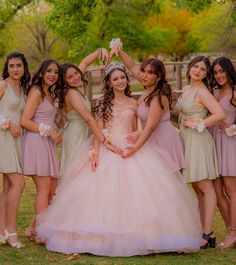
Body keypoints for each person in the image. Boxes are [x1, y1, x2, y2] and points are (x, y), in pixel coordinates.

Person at [36, 62, 202, 256]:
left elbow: (136, 128)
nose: (120, 81)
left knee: (141, 191)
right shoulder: (101, 103)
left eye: (122, 77)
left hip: (131, 148)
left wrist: (137, 139)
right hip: (108, 147)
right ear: (108, 82)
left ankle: (146, 234)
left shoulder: (135, 103)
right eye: (115, 79)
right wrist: (96, 151)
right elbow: (97, 130)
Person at [109, 41, 185, 171]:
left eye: (150, 72)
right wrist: (118, 50)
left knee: (166, 183)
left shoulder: (158, 96)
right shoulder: (148, 85)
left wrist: (134, 148)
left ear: (158, 77)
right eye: (143, 71)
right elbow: (132, 66)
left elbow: (150, 127)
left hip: (162, 140)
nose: (144, 75)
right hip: (148, 139)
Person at [175, 56, 225, 248]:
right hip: (187, 140)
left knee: (205, 187)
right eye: (196, 66)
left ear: (206, 74)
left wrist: (200, 123)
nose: (198, 71)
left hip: (198, 141)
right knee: (197, 188)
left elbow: (219, 114)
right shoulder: (188, 89)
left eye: (203, 69)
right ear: (189, 68)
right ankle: (203, 229)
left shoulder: (203, 92)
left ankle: (208, 234)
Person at [58, 48, 120, 177]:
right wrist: (104, 141)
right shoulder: (71, 93)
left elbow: (85, 63)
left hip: (84, 129)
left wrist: (100, 51)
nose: (76, 77)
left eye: (76, 73)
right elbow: (89, 119)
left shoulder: (75, 87)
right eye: (70, 77)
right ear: (64, 81)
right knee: (78, 171)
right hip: (77, 133)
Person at [20, 59, 62, 244]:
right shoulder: (36, 92)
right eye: (49, 71)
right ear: (42, 73)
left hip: (47, 144)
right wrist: (49, 132)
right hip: (36, 142)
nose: (52, 74)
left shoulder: (49, 94)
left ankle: (33, 227)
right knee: (44, 190)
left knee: (53, 190)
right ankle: (40, 234)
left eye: (56, 72)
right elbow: (25, 121)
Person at [0, 52, 30, 248]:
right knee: (19, 184)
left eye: (19, 65)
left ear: (24, 67)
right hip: (3, 138)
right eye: (12, 66)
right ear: (7, 68)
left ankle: (2, 231)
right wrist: (8, 124)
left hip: (17, 141)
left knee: (8, 188)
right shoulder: (3, 85)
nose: (15, 69)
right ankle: (11, 232)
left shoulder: (22, 88)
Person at [210, 57, 236, 249]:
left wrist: (232, 127)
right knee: (217, 192)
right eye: (216, 72)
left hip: (229, 143)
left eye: (222, 71)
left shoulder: (235, 92)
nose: (219, 75)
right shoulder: (213, 91)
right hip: (213, 144)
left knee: (231, 190)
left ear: (229, 71)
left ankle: (232, 233)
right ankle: (231, 228)